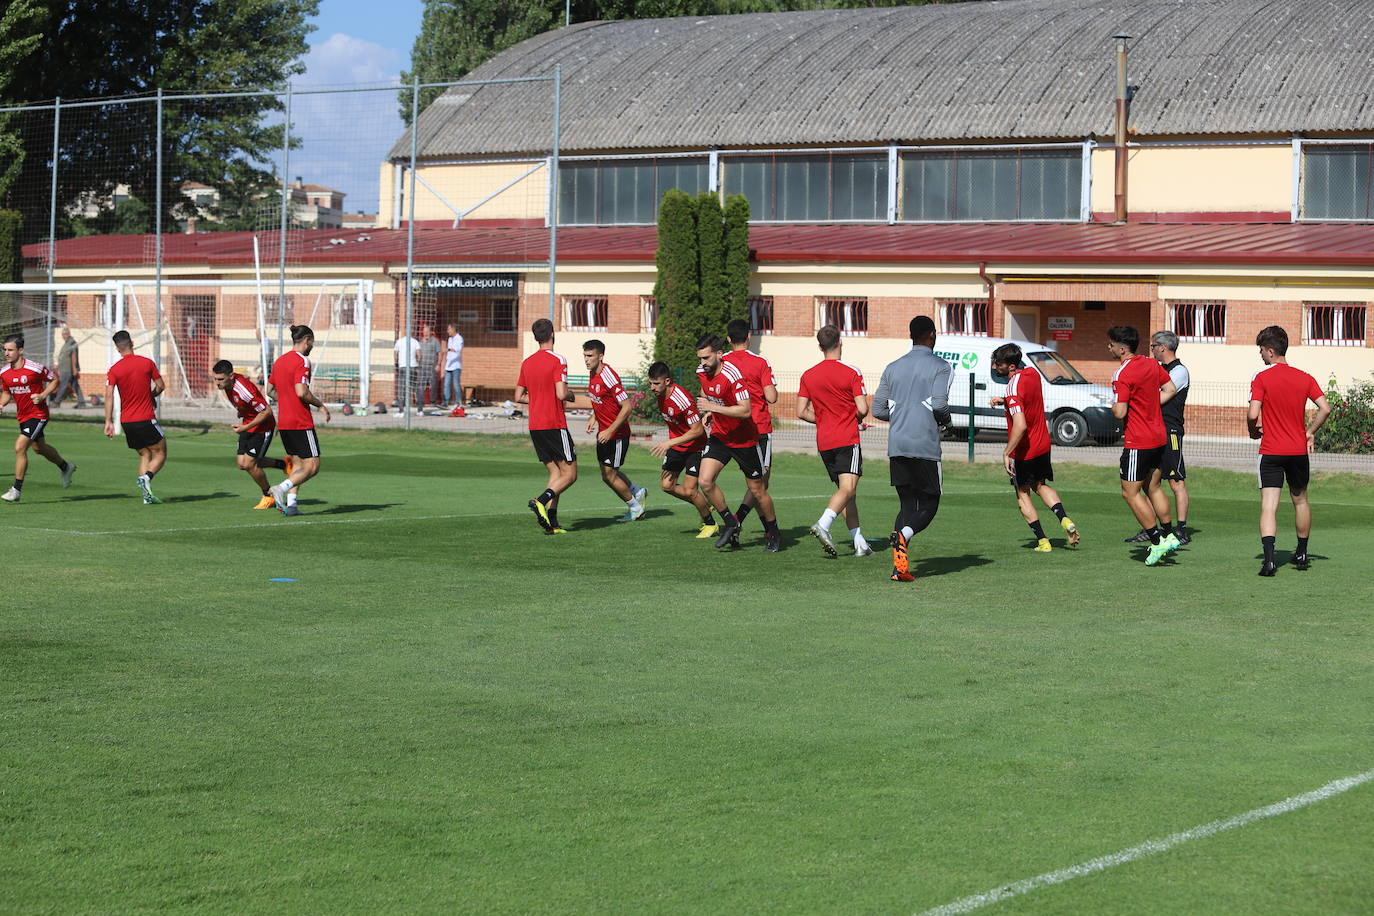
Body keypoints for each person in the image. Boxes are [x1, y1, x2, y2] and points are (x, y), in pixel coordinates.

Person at [1247, 325, 1331, 577]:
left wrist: (1253, 430)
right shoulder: (1304, 377)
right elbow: (1325, 408)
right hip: (1297, 451)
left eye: (1261, 350)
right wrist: (1310, 431)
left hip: (1271, 450)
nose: (1261, 355)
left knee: (1269, 506)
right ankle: (1302, 553)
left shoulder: (1262, 378)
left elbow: (1253, 413)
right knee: (1301, 500)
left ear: (1270, 351)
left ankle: (1270, 561)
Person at [872, 316, 952, 582]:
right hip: (925, 445)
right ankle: (903, 535)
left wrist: (901, 413)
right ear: (931, 335)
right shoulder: (941, 366)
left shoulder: (892, 367)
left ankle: (899, 569)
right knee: (930, 503)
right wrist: (946, 422)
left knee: (907, 504)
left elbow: (878, 409)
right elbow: (939, 405)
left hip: (898, 445)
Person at [988, 343, 1081, 552]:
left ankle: (1043, 541)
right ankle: (1064, 519)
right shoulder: (1032, 374)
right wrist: (1004, 401)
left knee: (1022, 494)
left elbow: (1020, 425)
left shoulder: (1011, 389)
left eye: (999, 364)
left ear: (1011, 366)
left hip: (1025, 451)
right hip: (1043, 445)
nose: (995, 367)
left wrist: (1007, 452)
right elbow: (1025, 400)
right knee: (1041, 485)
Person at [695, 333, 781, 552]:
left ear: (719, 354)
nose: (702, 363)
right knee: (705, 481)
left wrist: (713, 407)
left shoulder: (733, 375)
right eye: (700, 358)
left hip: (744, 439)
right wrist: (709, 411)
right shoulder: (701, 371)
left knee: (758, 490)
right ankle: (731, 523)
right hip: (720, 436)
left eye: (706, 358)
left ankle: (773, 532)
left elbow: (745, 410)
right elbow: (706, 391)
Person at [797, 324, 874, 558]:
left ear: (820, 347)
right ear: (840, 343)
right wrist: (850, 418)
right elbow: (862, 407)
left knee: (846, 492)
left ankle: (859, 542)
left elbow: (801, 412)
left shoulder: (808, 375)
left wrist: (824, 420)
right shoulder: (851, 371)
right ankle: (823, 524)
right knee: (848, 489)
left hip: (825, 441)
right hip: (846, 439)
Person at [1107, 325, 1180, 566]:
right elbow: (1170, 389)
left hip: (1139, 441)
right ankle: (1170, 534)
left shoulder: (1122, 373)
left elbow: (1119, 411)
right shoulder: (1151, 364)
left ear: (1121, 348)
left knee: (1130, 493)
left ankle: (1157, 540)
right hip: (1159, 436)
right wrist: (1149, 404)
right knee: (1154, 487)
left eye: (1111, 344)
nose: (1108, 347)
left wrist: (1113, 404)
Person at [515, 318, 576, 534]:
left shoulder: (527, 362)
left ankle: (552, 523)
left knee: (555, 473)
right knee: (570, 474)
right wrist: (571, 395)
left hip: (535, 426)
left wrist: (539, 399)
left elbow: (519, 396)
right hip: (554, 424)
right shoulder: (558, 359)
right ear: (552, 333)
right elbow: (561, 393)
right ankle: (540, 501)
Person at [0, 335, 75, 502]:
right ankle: (65, 466)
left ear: (20, 350)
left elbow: (55, 380)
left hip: (38, 414)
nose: (7, 353)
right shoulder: (4, 373)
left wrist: (42, 395)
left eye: (10, 350)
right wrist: (1, 405)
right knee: (38, 448)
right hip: (23, 416)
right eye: (5, 349)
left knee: (20, 447)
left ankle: (16, 490)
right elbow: (6, 393)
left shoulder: (34, 368)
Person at [645, 360, 716, 537]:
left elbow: (698, 430)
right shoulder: (660, 395)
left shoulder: (682, 399)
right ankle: (705, 503)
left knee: (691, 490)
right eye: (650, 383)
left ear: (667, 381)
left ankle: (710, 523)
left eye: (656, 383)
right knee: (666, 486)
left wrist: (669, 443)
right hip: (677, 445)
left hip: (695, 447)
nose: (652, 388)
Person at [268, 325, 332, 517]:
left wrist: (285, 401)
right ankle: (281, 488)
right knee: (312, 466)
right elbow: (301, 391)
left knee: (297, 464)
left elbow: (269, 390)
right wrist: (320, 405)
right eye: (312, 341)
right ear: (307, 339)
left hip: (284, 421)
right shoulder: (303, 361)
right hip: (300, 421)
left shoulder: (280, 361)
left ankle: (292, 505)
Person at [721, 318, 778, 532]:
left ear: (728, 339)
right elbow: (771, 397)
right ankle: (738, 521)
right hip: (758, 428)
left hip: (729, 430)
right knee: (760, 485)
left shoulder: (722, 362)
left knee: (755, 486)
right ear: (749, 337)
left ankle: (744, 524)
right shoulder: (760, 362)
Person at [212, 359, 291, 509]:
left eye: (220, 379)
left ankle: (269, 495)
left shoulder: (244, 390)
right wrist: (241, 412)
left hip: (262, 426)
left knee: (250, 463)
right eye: (215, 379)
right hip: (248, 423)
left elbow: (266, 412)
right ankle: (284, 464)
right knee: (242, 464)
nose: (217, 383)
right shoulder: (228, 386)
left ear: (231, 376)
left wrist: (245, 426)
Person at [582, 339, 646, 521]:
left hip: (616, 435)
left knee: (610, 475)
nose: (586, 360)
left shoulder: (608, 375)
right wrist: (594, 417)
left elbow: (627, 407)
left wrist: (610, 430)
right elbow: (601, 399)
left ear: (600, 356)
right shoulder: (592, 373)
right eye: (584, 356)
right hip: (604, 433)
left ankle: (635, 508)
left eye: (590, 356)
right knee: (607, 474)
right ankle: (636, 491)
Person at [1141, 329, 1193, 545]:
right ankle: (1151, 528)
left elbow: (1158, 395)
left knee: (1176, 481)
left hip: (1171, 431)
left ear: (1162, 347)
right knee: (1149, 482)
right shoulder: (1159, 369)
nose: (1151, 350)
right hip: (1154, 431)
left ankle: (1180, 531)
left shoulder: (1179, 371)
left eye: (1153, 346)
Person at [104, 329, 167, 504]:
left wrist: (108, 421)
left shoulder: (114, 369)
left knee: (144, 454)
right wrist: (151, 395)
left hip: (127, 422)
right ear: (132, 342)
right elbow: (161, 386)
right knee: (161, 452)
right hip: (146, 418)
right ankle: (147, 477)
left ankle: (146, 496)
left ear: (117, 349)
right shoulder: (147, 363)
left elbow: (108, 395)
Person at [51, 326, 84, 408]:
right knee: (75, 385)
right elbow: (64, 357)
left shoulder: (72, 343)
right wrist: (57, 366)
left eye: (65, 334)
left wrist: (74, 369)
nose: (63, 336)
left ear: (68, 334)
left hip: (68, 370)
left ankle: (56, 402)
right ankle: (81, 402)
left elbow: (73, 357)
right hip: (64, 369)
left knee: (63, 385)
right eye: (62, 334)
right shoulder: (66, 343)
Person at [393, 329, 419, 409]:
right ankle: (414, 403)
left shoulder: (399, 341)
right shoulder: (415, 342)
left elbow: (395, 354)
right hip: (413, 366)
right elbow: (419, 354)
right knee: (413, 386)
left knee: (402, 387)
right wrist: (418, 363)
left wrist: (396, 363)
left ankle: (401, 408)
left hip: (403, 366)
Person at [418, 324, 440, 407]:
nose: (426, 333)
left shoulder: (435, 341)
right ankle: (420, 401)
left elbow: (440, 353)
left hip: (432, 365)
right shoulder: (420, 341)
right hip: (422, 366)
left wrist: (438, 364)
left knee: (433, 384)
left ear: (431, 332)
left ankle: (433, 401)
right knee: (421, 384)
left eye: (427, 331)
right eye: (424, 332)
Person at [442, 322, 464, 408]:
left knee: (456, 385)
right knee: (446, 384)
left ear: (453, 329)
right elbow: (448, 353)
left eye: (449, 329)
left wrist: (448, 349)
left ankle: (458, 402)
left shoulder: (459, 338)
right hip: (449, 365)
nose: (448, 331)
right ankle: (445, 402)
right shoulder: (450, 339)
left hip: (456, 366)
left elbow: (457, 350)